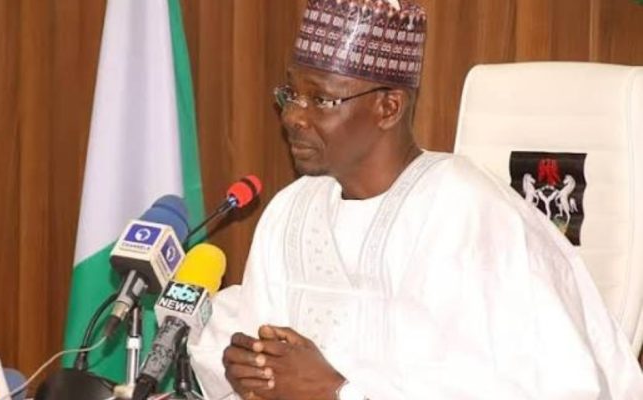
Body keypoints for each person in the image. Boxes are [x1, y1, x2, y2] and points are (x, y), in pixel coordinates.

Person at [188, 0, 643, 399]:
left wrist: (338, 392)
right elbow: (258, 341)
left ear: (388, 107)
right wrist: (247, 369)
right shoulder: (291, 210)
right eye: (291, 94)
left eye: (320, 100)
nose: (292, 116)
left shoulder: (467, 212)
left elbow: (550, 387)